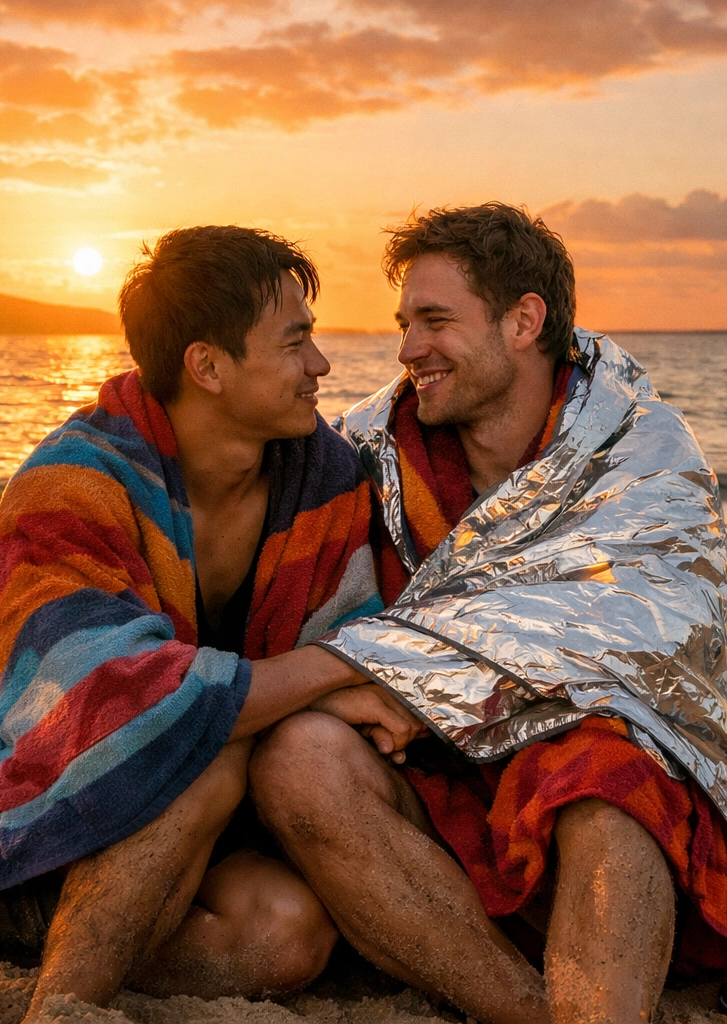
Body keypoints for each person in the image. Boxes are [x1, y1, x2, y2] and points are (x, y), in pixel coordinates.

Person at [0, 225, 418, 1014]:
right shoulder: (67, 487)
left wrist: (310, 683)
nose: (320, 366)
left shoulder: (322, 479)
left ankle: (93, 932)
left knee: (287, 936)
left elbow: (348, 630)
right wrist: (335, 672)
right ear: (207, 365)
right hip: (34, 801)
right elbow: (110, 705)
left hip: (207, 822)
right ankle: (62, 997)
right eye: (296, 342)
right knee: (191, 748)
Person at [250, 203, 727, 1024]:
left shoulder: (640, 451)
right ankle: (524, 1010)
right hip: (440, 791)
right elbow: (281, 604)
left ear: (524, 321)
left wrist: (399, 681)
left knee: (608, 770)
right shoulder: (366, 452)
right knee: (299, 755)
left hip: (600, 784)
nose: (408, 350)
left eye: (435, 321)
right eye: (404, 323)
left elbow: (658, 643)